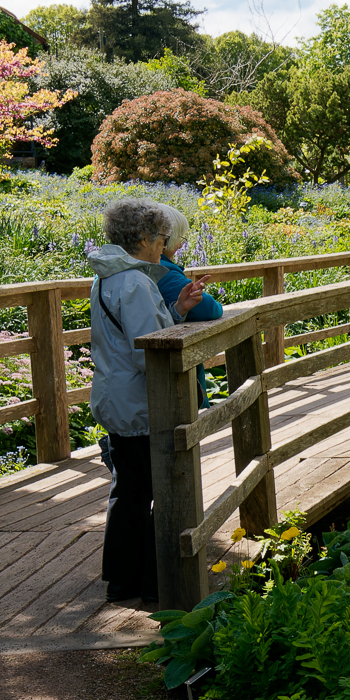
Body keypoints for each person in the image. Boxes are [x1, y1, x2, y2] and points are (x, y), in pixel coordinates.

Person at [88, 199, 210, 603]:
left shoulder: (108, 277)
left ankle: (122, 578)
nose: (163, 247)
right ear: (142, 238)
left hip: (116, 397)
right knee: (151, 490)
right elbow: (148, 350)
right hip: (139, 403)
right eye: (160, 239)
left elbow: (135, 335)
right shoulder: (136, 282)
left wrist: (177, 308)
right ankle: (153, 581)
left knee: (130, 490)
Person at [153, 204, 223, 408]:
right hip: (169, 379)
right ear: (163, 240)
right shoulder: (163, 272)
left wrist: (178, 310)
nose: (182, 245)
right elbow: (210, 309)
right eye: (179, 239)